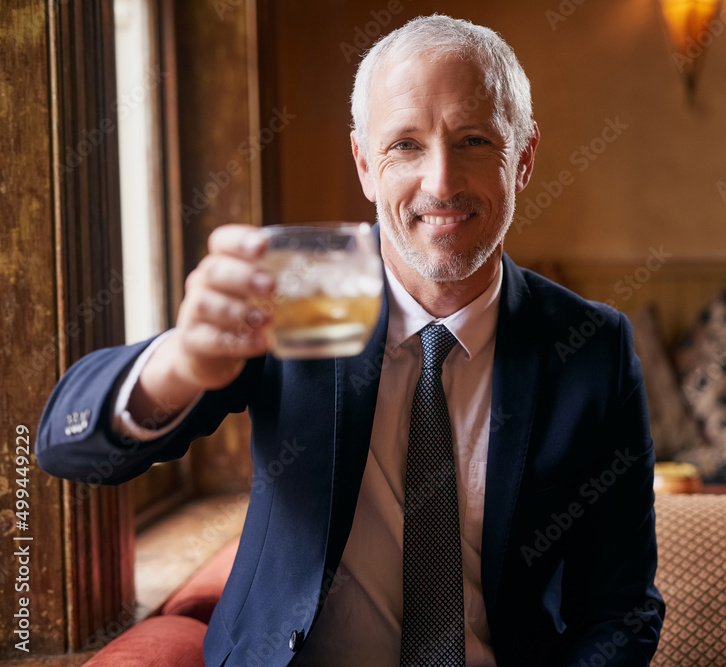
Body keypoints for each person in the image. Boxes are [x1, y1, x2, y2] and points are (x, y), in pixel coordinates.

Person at [37, 14, 664, 666]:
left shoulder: (591, 347)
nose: (442, 182)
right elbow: (65, 445)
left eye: (474, 140)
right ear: (365, 164)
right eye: (405, 146)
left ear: (525, 158)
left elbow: (621, 609)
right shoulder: (299, 293)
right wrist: (184, 362)